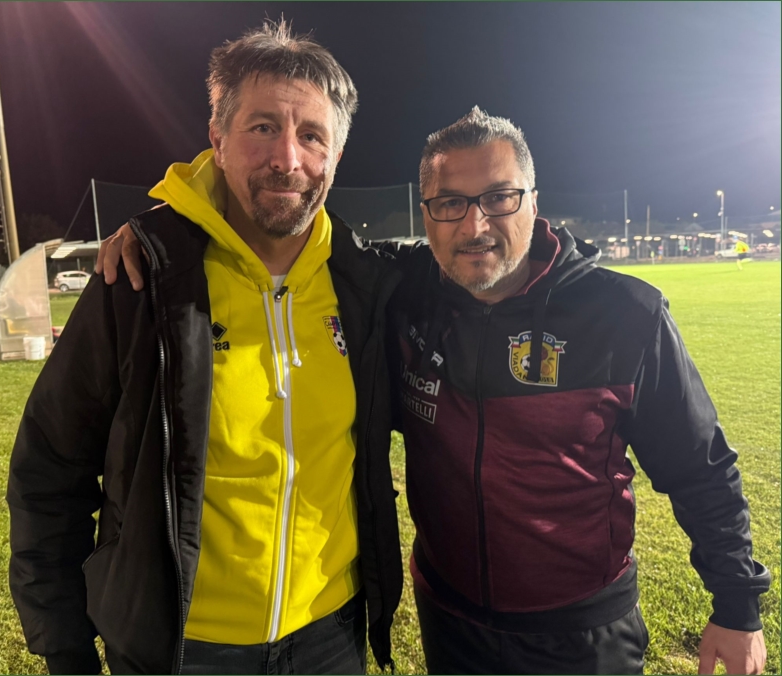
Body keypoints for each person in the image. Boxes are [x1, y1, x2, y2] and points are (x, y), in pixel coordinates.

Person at [101, 110, 770, 673]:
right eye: (450, 204)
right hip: (449, 619)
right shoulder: (402, 293)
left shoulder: (626, 314)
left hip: (583, 630)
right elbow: (280, 224)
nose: (474, 225)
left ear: (534, 201)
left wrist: (737, 608)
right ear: (426, 215)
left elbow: (700, 467)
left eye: (499, 197)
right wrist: (168, 228)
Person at [8, 21, 403, 675]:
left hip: (330, 641)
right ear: (217, 139)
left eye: (312, 135)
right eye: (262, 127)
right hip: (182, 650)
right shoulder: (142, 278)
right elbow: (50, 468)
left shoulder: (363, 283)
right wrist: (63, 645)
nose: (288, 159)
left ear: (336, 153)